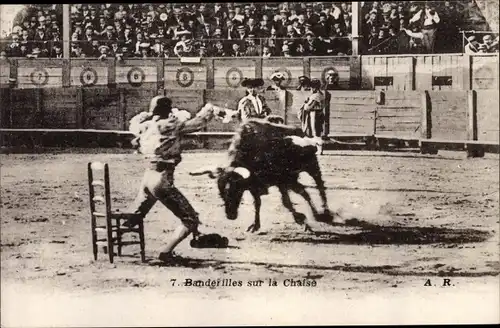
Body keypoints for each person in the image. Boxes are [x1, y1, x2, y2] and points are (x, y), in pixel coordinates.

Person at [125, 96, 230, 263]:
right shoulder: (171, 125)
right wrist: (211, 108)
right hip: (162, 180)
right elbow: (199, 122)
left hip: (147, 177)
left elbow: (133, 124)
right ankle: (166, 253)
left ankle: (109, 243)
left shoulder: (144, 125)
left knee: (135, 215)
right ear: (168, 110)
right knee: (190, 219)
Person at [297, 78, 325, 155]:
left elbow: (308, 107)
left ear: (315, 87)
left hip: (315, 114)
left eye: (312, 87)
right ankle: (318, 149)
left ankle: (319, 149)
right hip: (316, 114)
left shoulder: (315, 96)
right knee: (315, 131)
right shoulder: (320, 94)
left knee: (316, 131)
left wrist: (305, 103)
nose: (311, 89)